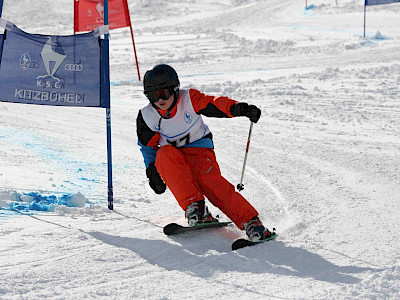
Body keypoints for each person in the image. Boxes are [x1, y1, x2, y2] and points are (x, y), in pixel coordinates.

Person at [136, 64, 273, 241]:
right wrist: (152, 171)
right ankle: (196, 209)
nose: (160, 99)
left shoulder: (189, 100)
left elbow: (215, 104)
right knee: (163, 155)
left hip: (199, 150)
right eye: (154, 95)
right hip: (174, 156)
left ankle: (252, 223)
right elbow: (148, 147)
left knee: (209, 182)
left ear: (175, 89)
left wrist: (240, 108)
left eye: (164, 93)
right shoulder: (147, 116)